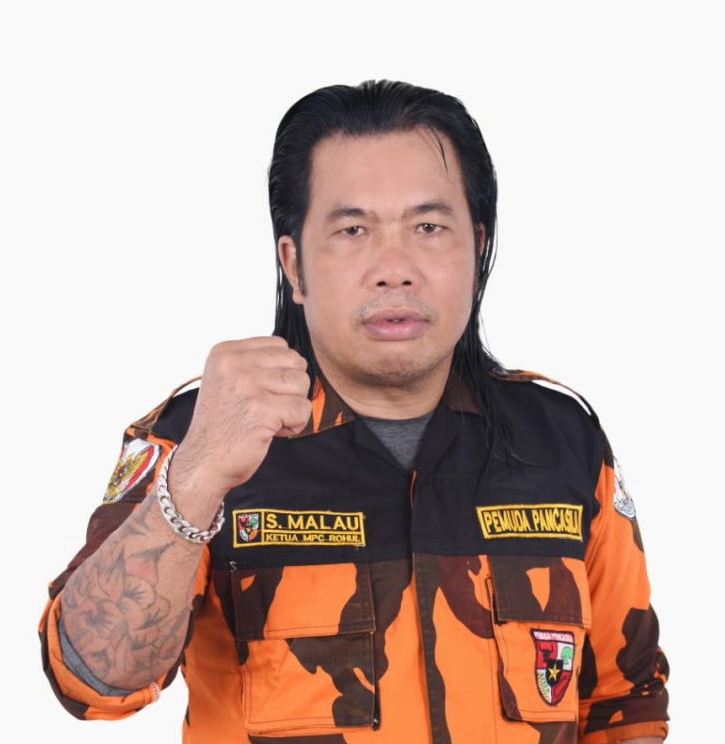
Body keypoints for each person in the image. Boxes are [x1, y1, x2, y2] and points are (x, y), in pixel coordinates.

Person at [38, 79, 670, 743]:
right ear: (294, 265)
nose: (394, 268)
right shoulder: (196, 435)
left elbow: (625, 704)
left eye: (428, 227)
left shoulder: (563, 440)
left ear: (478, 248)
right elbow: (89, 681)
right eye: (352, 229)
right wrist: (195, 481)